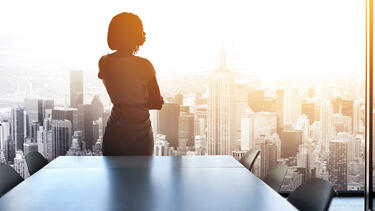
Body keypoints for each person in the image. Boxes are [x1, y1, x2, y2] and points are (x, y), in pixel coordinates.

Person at [98, 12, 164, 156]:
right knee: (141, 176)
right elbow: (156, 103)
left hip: (114, 132)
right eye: (141, 28)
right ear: (133, 33)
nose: (144, 33)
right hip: (140, 133)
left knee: (114, 176)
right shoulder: (145, 66)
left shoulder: (104, 62)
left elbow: (104, 76)